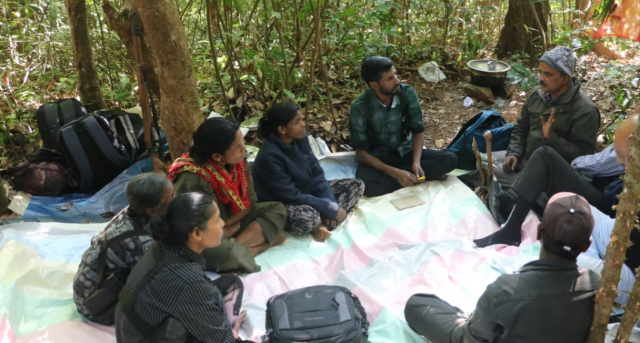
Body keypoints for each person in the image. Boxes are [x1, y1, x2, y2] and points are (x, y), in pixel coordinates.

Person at [476, 117, 640, 316]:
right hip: (624, 238)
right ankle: (585, 251)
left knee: (551, 254)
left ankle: (586, 257)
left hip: (638, 277)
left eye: (624, 157)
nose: (619, 162)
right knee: (568, 202)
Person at [405, 193, 598, 343]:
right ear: (586, 246)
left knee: (416, 304)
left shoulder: (507, 290)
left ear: (539, 232)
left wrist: (474, 321)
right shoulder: (596, 284)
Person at [116, 192, 272, 343]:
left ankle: (220, 328)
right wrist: (228, 334)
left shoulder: (163, 247)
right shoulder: (188, 282)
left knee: (232, 283)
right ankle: (225, 329)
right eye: (217, 220)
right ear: (197, 234)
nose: (223, 224)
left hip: (147, 333)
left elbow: (194, 292)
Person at [170, 118, 287, 273]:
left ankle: (238, 250)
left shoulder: (237, 161)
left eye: (242, 142)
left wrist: (232, 227)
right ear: (217, 157)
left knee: (277, 209)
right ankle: (255, 249)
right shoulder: (194, 179)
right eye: (237, 146)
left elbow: (251, 201)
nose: (244, 148)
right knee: (225, 254)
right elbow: (197, 229)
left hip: (232, 222)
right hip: (206, 234)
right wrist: (225, 229)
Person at [253, 102, 365, 242]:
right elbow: (291, 196)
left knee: (356, 185)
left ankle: (326, 223)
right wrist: (327, 208)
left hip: (306, 191)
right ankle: (320, 224)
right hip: (283, 202)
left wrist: (330, 205)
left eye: (302, 120)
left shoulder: (300, 139)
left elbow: (317, 175)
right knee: (309, 218)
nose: (303, 124)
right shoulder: (270, 157)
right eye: (297, 122)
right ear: (282, 129)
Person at [349, 55, 457, 197]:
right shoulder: (360, 107)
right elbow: (361, 153)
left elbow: (417, 130)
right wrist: (395, 173)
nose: (397, 81)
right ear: (374, 85)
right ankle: (412, 177)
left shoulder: (407, 93)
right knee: (368, 185)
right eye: (390, 79)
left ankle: (410, 175)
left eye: (395, 75)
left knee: (450, 159)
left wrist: (416, 162)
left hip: (405, 152)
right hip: (379, 158)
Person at [73, 173, 173, 325]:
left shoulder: (131, 211)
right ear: (151, 211)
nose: (175, 200)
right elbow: (157, 282)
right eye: (170, 198)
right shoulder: (141, 242)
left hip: (85, 289)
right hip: (96, 305)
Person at [494, 46, 600, 187]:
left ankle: (522, 191)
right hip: (525, 159)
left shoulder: (585, 111)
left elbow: (583, 157)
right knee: (486, 163)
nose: (541, 79)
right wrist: (514, 153)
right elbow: (521, 129)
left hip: (553, 174)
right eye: (541, 73)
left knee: (520, 190)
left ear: (565, 78)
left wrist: (551, 139)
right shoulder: (536, 96)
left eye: (548, 74)